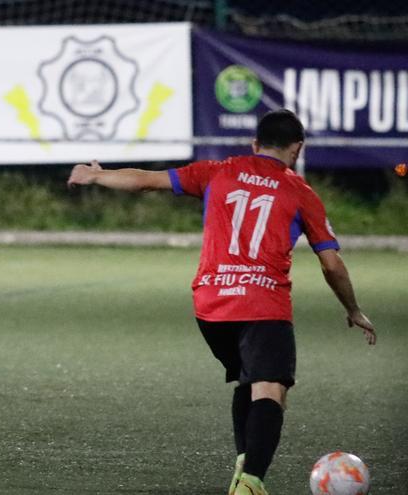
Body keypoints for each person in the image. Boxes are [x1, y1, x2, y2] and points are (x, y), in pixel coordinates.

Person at [67, 109, 376, 495]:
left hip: (211, 306)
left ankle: (244, 467)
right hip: (263, 304)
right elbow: (332, 265)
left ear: (254, 144)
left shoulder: (218, 171)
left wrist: (96, 175)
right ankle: (250, 483)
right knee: (270, 389)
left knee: (249, 381)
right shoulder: (300, 193)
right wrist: (352, 308)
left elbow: (147, 181)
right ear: (296, 148)